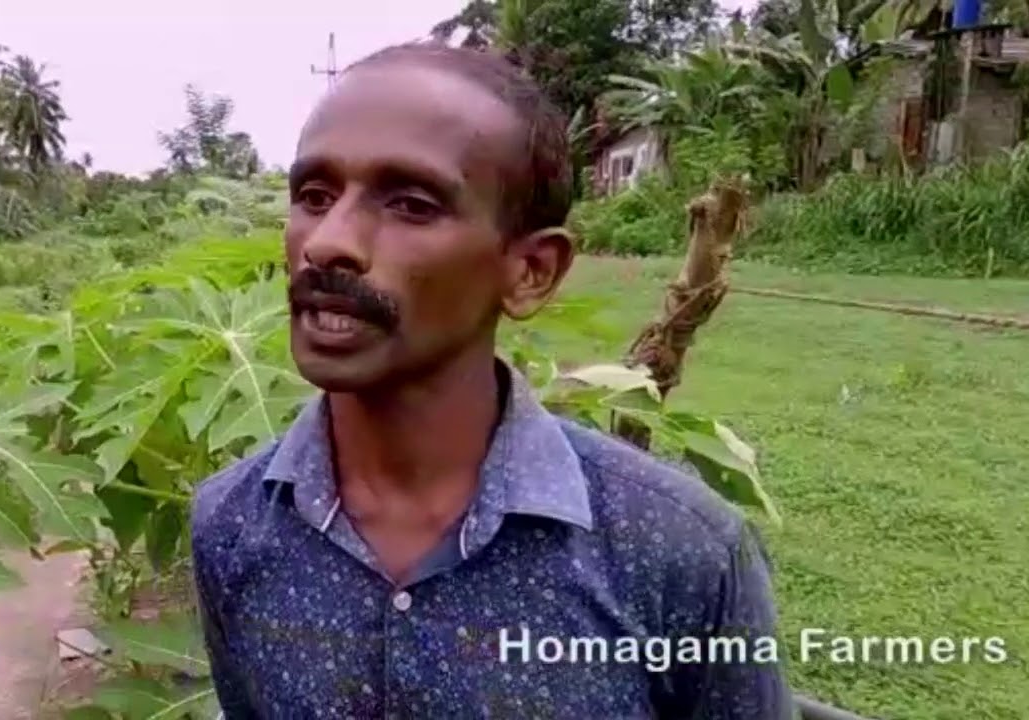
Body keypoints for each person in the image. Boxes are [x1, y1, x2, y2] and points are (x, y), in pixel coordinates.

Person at [190, 41, 793, 719]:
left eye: (411, 205)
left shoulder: (681, 555)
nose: (327, 241)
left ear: (532, 271)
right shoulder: (229, 527)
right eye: (314, 195)